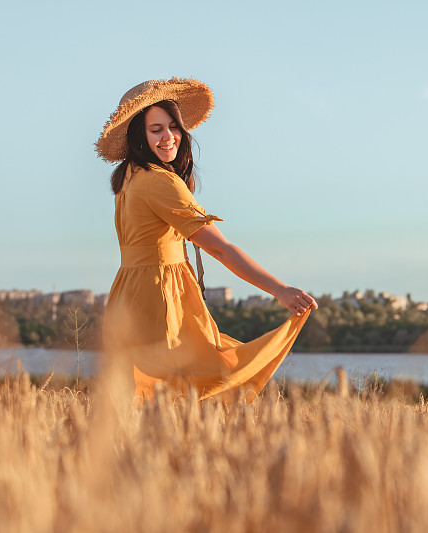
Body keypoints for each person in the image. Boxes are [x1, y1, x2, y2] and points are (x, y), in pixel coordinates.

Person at [95, 77, 317, 403]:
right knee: (189, 384)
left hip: (128, 293)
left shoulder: (129, 176)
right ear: (138, 135)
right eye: (155, 129)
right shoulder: (160, 183)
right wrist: (279, 290)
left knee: (144, 397)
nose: (169, 136)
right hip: (160, 294)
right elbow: (220, 248)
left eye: (173, 126)